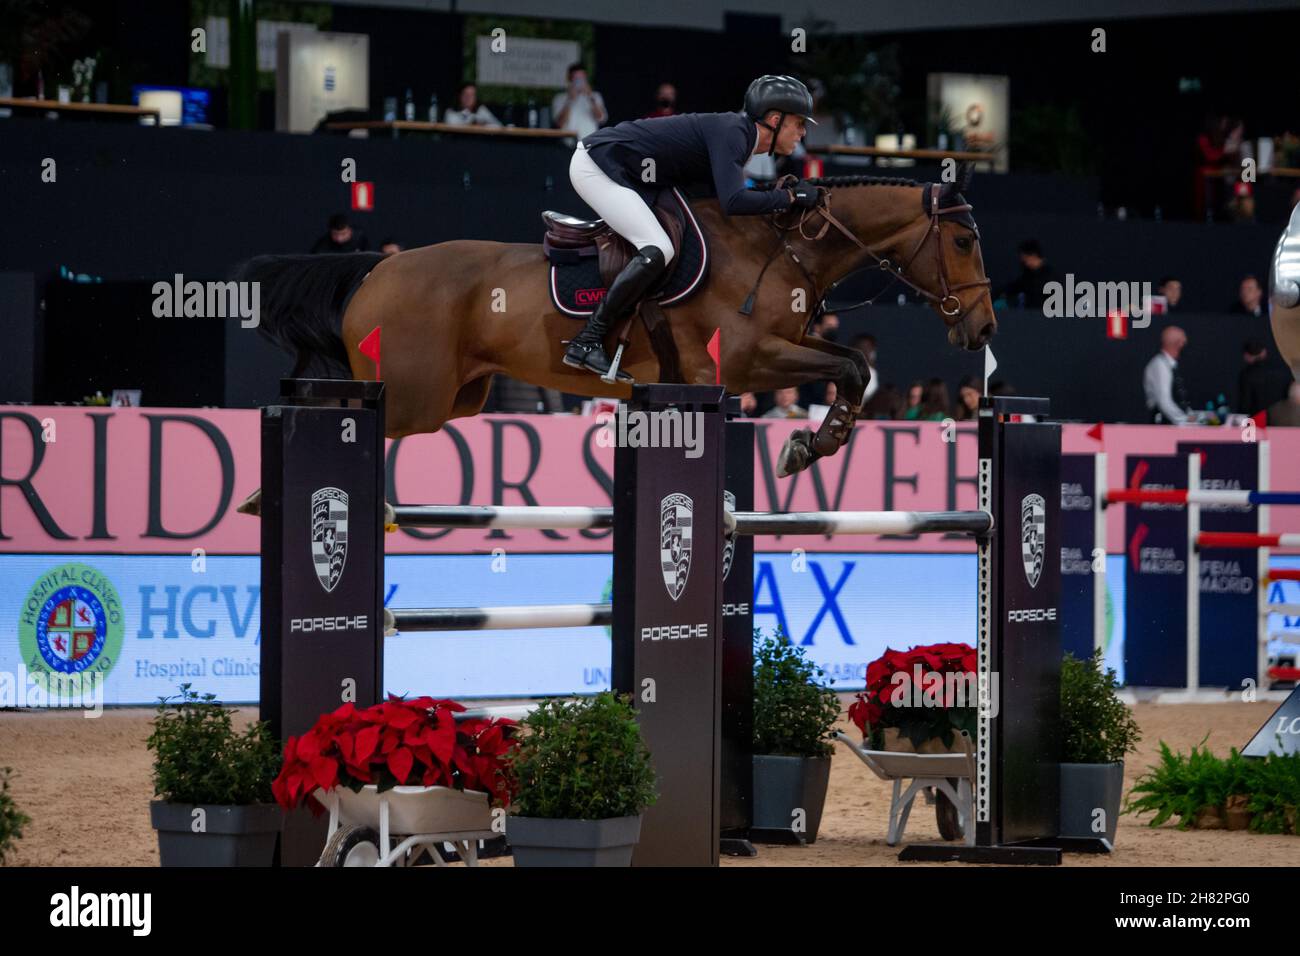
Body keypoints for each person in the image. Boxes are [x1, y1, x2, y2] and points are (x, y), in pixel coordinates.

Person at [562, 74, 820, 379]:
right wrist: (789, 197)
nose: (802, 132)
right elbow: (733, 202)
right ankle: (588, 340)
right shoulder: (734, 134)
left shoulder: (740, 136)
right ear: (775, 120)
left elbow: (729, 195)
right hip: (597, 165)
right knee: (659, 248)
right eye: (799, 123)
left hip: (637, 174)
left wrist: (782, 195)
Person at [1143, 326, 1191, 424]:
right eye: (1182, 342)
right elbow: (1164, 401)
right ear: (1177, 344)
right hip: (1164, 426)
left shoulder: (1171, 365)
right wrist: (1184, 420)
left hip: (1174, 422)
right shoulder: (1160, 365)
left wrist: (1190, 415)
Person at [551, 64, 607, 141]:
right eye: (577, 79)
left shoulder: (595, 96)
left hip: (589, 143)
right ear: (570, 80)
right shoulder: (560, 98)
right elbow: (559, 123)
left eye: (582, 78)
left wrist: (590, 97)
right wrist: (570, 101)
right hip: (567, 144)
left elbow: (601, 118)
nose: (580, 82)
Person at [993, 239, 1053, 310]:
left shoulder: (1051, 278)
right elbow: (1010, 288)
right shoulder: (1027, 277)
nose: (1023, 262)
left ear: (1033, 255)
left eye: (1025, 259)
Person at [1238, 340, 1291, 416]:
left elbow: (1245, 403)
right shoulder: (1282, 369)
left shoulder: (1247, 375)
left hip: (1258, 419)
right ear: (1264, 352)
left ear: (1247, 356)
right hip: (1281, 418)